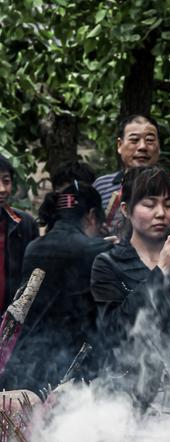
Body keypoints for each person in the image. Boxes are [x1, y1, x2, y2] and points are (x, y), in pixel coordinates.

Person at [91, 165, 170, 410]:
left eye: (168, 204)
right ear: (126, 210)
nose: (161, 213)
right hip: (127, 395)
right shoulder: (108, 264)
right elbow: (113, 328)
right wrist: (161, 272)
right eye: (149, 204)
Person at [2, 178, 113, 391]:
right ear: (91, 216)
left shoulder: (33, 248)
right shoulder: (97, 251)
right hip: (67, 370)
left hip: (26, 362)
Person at [93, 114, 170, 249]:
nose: (142, 147)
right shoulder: (100, 186)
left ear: (159, 146)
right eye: (134, 140)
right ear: (119, 145)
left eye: (150, 140)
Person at [0, 154, 39, 314]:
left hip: (11, 325)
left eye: (6, 181)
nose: (2, 189)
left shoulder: (25, 224)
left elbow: (33, 277)